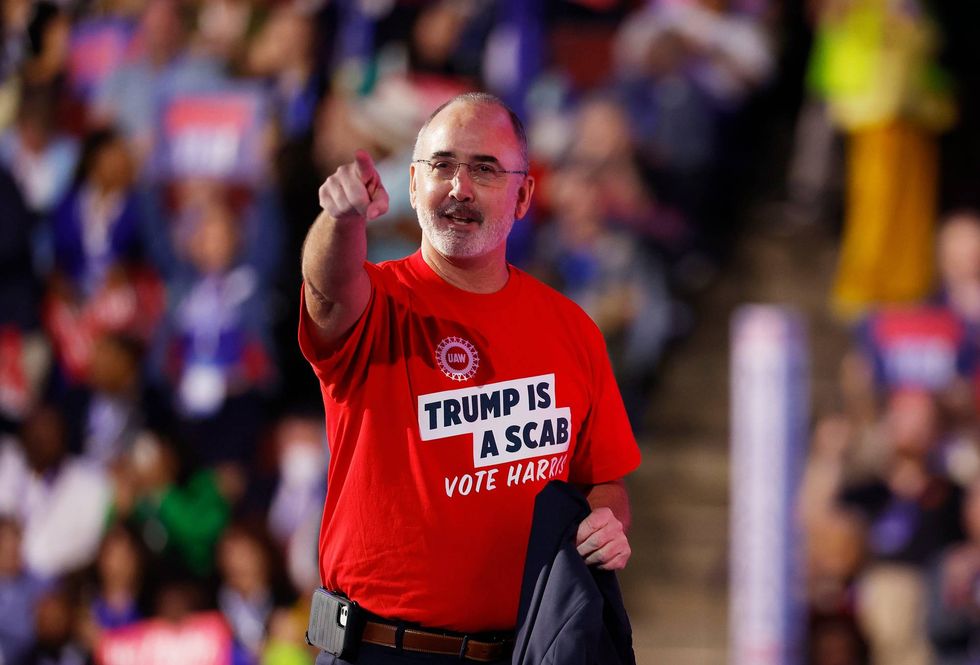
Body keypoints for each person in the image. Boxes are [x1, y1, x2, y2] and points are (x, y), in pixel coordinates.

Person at [298, 91, 642, 664]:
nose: (459, 186)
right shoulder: (378, 302)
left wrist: (608, 520)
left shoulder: (572, 330)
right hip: (380, 649)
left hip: (523, 652)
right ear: (411, 183)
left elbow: (604, 482)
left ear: (525, 195)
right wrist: (341, 219)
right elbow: (328, 288)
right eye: (443, 165)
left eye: (484, 169)